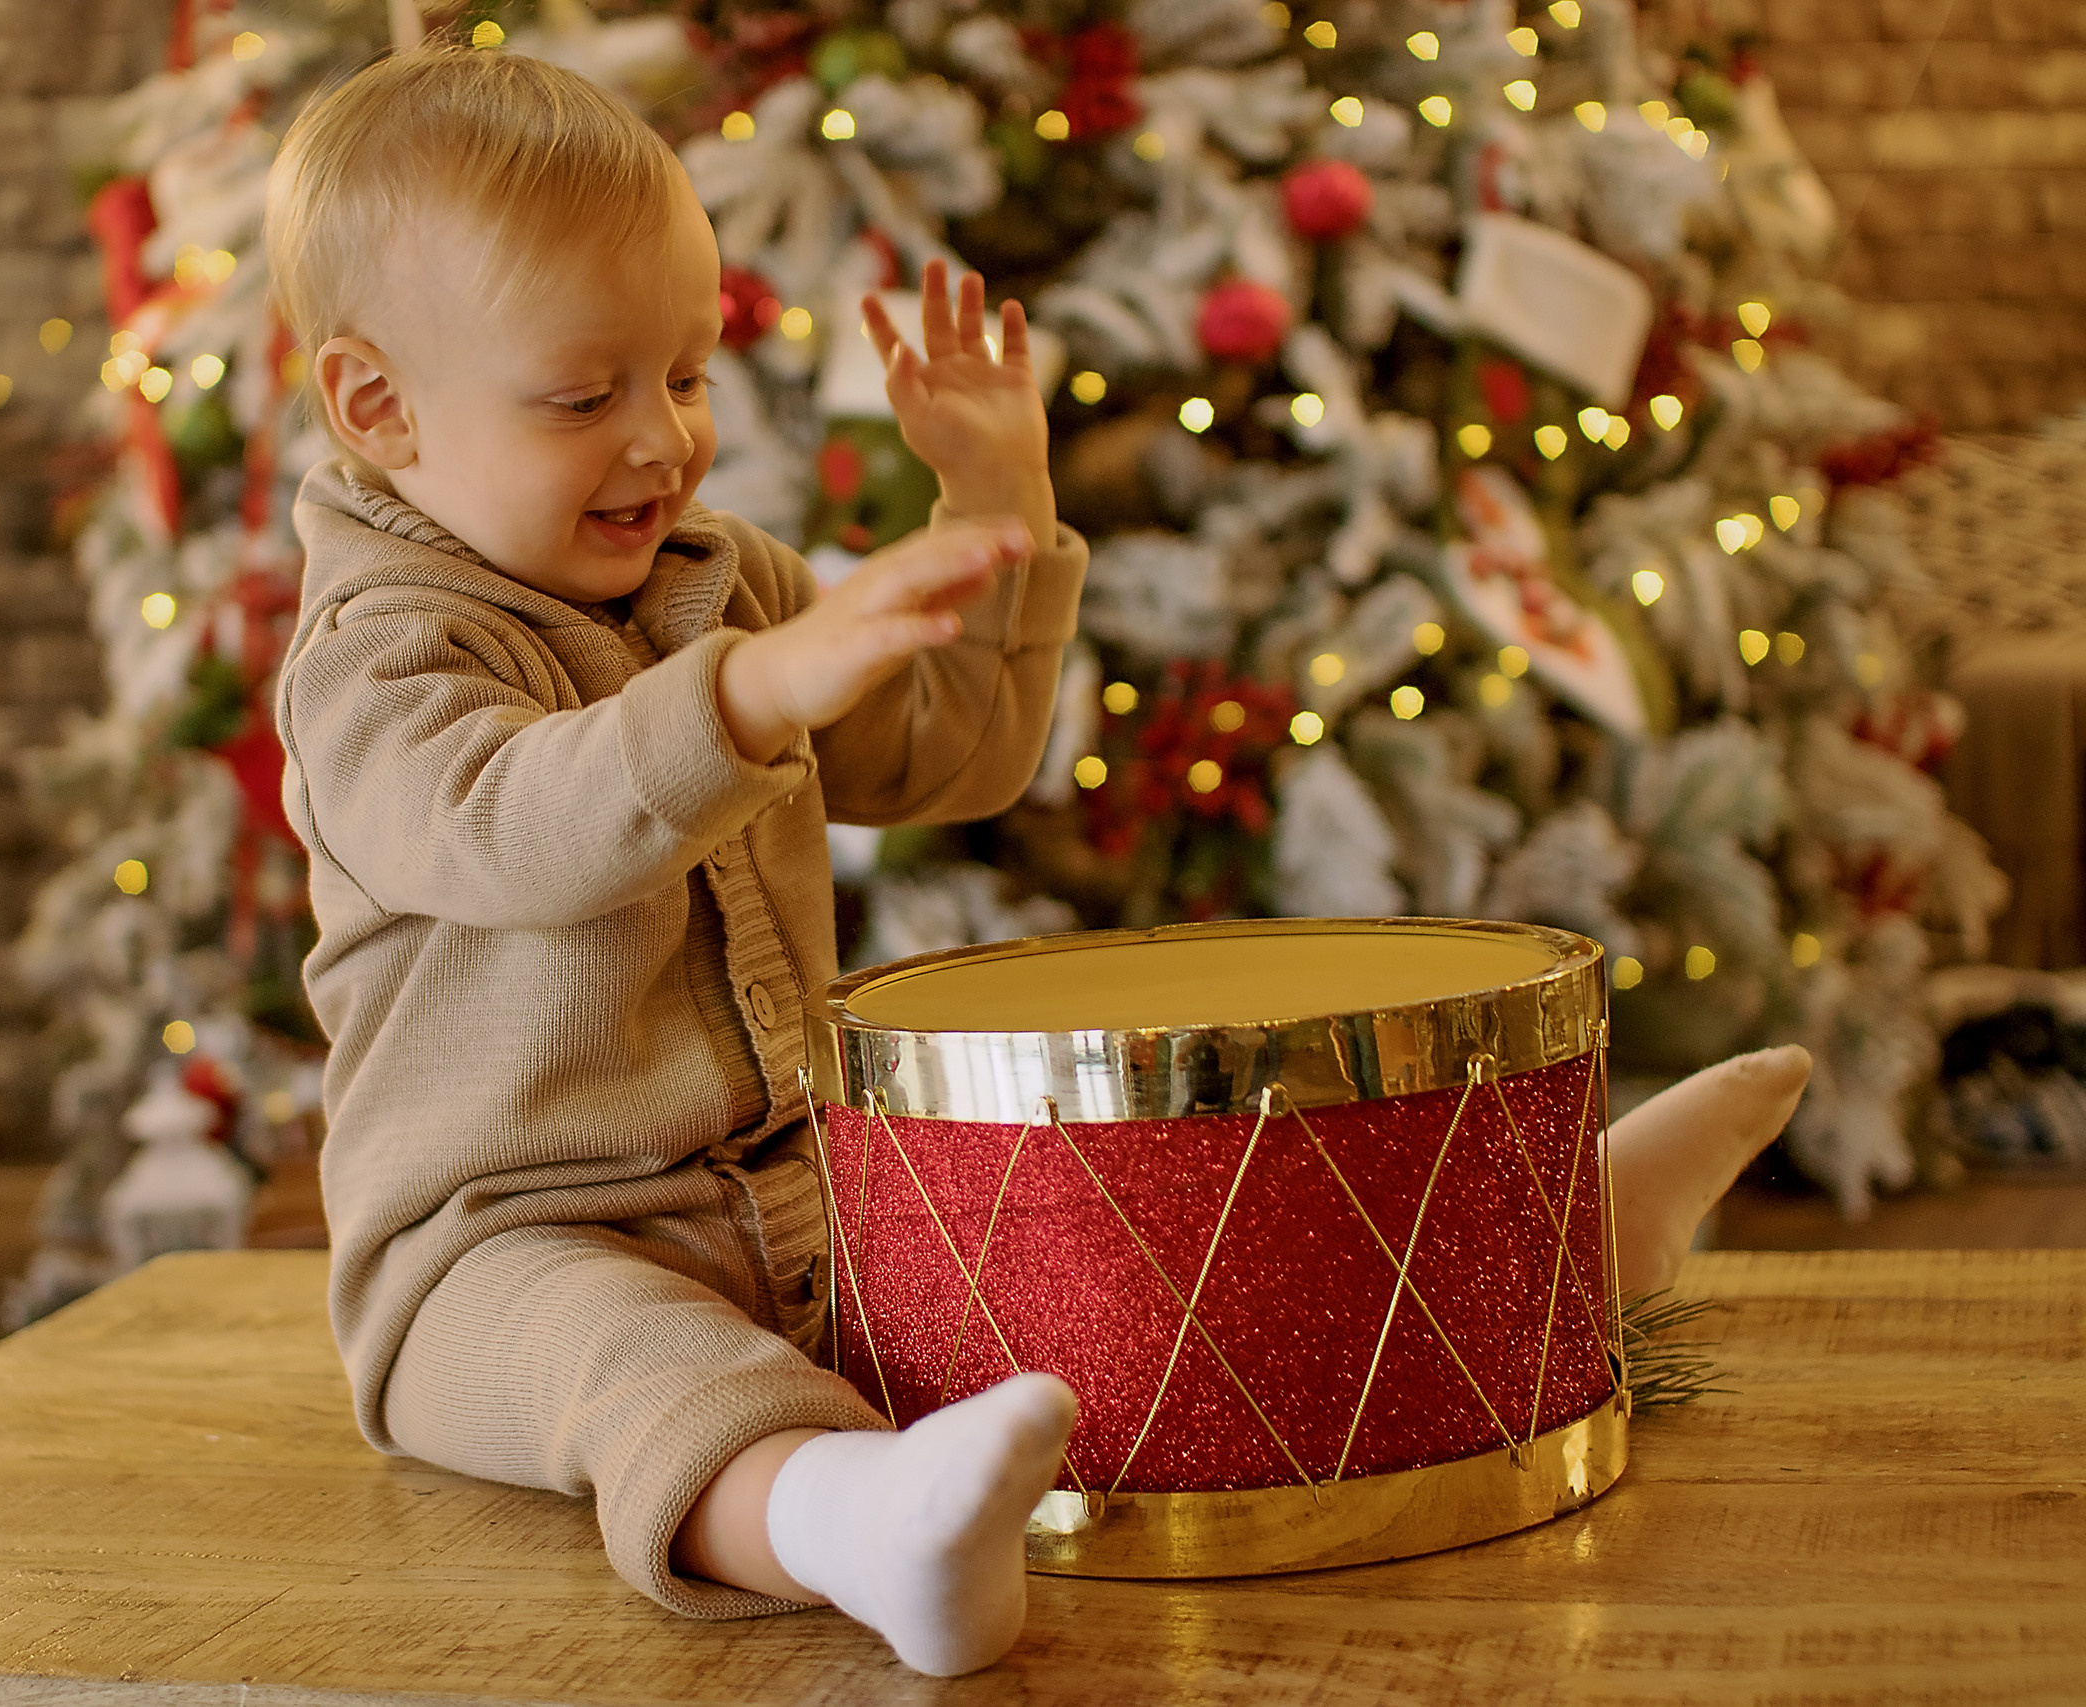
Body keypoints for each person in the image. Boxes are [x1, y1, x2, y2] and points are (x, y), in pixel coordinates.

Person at [266, 44, 1816, 1679]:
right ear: (379, 407)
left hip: (797, 1202)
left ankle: (1540, 1271)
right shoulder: (376, 656)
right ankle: (856, 1531)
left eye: (690, 374)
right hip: (504, 1252)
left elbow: (957, 757)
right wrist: (745, 694)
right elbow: (514, 831)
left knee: (1085, 1291)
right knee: (640, 1367)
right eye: (587, 397)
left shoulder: (713, 581)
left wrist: (997, 496)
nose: (665, 442)